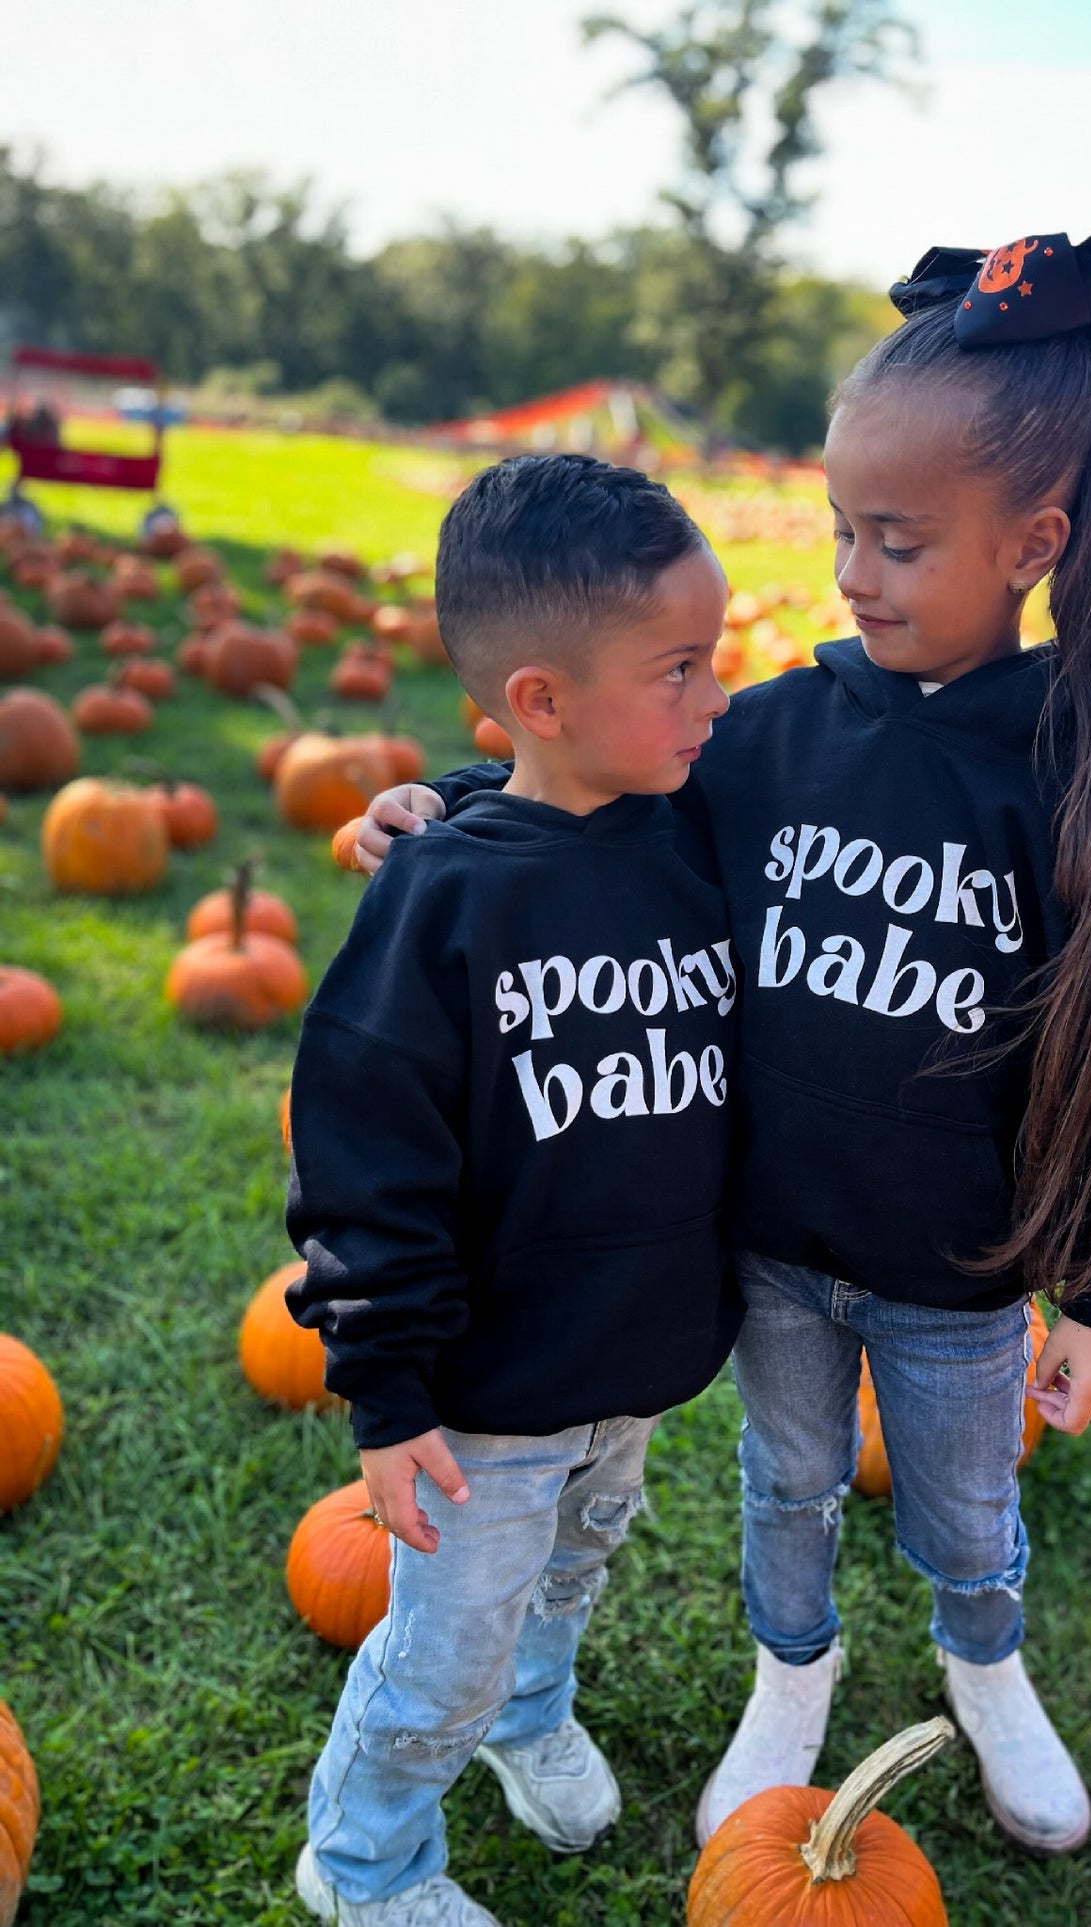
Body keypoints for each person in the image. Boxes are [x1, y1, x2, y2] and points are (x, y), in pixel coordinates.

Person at [354, 225, 1091, 1860]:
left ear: (1032, 542)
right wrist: (446, 813)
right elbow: (606, 789)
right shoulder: (779, 731)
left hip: (957, 1272)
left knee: (965, 1512)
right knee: (786, 1489)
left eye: (897, 540)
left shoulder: (1075, 773)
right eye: (839, 532)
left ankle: (984, 1660)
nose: (851, 575)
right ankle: (787, 1679)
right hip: (764, 1249)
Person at [285, 453, 741, 1926]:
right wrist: (390, 1389)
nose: (713, 699)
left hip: (633, 1355)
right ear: (543, 698)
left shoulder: (689, 834)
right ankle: (363, 1864)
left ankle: (530, 1719)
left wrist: (462, 781)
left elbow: (552, 803)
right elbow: (368, 1160)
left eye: (711, 659)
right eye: (677, 670)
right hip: (485, 1388)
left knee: (568, 1579)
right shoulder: (443, 900)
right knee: (442, 1648)